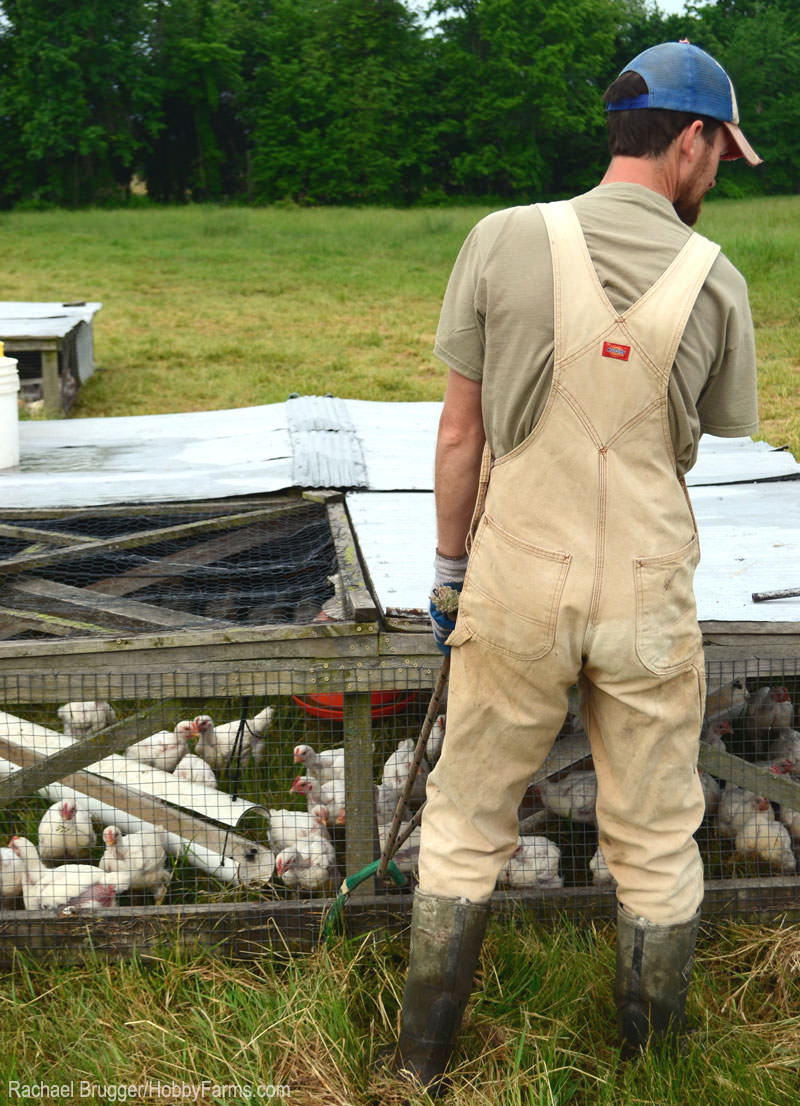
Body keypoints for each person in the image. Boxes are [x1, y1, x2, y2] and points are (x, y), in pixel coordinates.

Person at [392, 40, 762, 1093]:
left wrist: (448, 573)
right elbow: (709, 435)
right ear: (686, 139)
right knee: (652, 833)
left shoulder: (500, 239)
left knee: (465, 822)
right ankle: (651, 1067)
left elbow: (459, 436)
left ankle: (418, 1063)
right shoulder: (714, 278)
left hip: (514, 576)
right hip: (647, 584)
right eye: (718, 154)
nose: (718, 176)